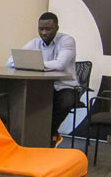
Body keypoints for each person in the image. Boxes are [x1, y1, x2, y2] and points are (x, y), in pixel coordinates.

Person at [6, 12, 76, 146]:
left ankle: (49, 133)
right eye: (41, 29)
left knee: (65, 101)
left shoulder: (67, 41)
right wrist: (32, 63)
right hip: (42, 86)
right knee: (24, 99)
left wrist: (35, 64)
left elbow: (60, 65)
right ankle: (31, 137)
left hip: (65, 85)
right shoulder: (34, 43)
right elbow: (10, 62)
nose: (44, 32)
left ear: (57, 28)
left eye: (48, 29)